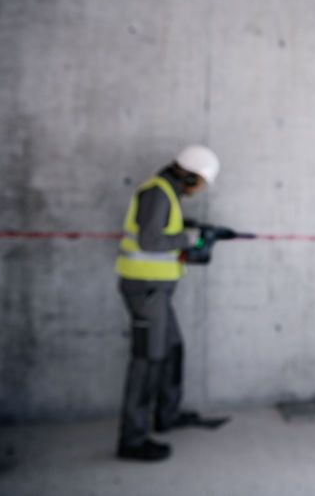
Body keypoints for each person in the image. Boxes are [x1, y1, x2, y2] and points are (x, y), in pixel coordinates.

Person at [114, 145, 230, 461]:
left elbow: (162, 228)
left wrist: (195, 227)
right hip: (145, 290)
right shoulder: (156, 192)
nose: (202, 189)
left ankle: (167, 414)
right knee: (146, 360)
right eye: (203, 182)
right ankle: (132, 440)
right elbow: (150, 240)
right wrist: (189, 239)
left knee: (172, 349)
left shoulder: (167, 192)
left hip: (158, 292)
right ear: (191, 176)